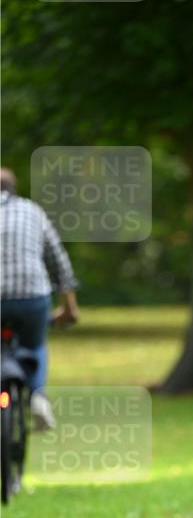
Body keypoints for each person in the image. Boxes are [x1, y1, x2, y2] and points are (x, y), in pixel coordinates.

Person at [0, 166, 80, 429]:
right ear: (14, 189)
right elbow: (59, 262)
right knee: (35, 345)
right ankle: (37, 396)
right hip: (32, 297)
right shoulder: (32, 212)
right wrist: (69, 308)